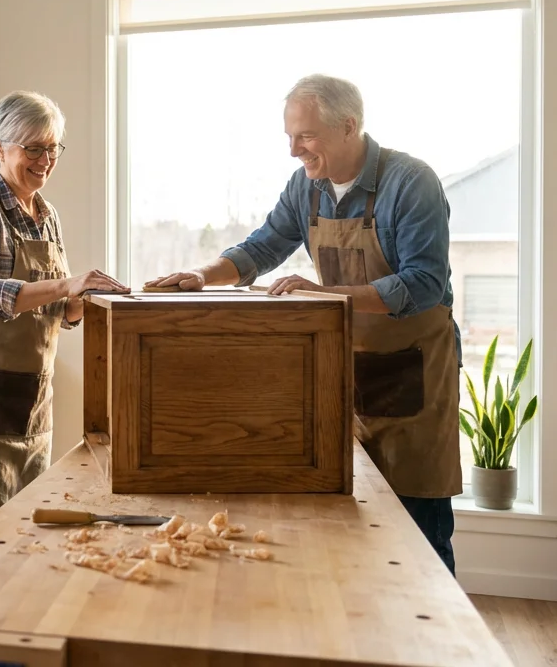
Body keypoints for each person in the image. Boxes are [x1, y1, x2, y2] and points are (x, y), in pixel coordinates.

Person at [148, 74, 462, 574]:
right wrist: (202, 275)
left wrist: (326, 293)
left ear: (349, 126)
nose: (295, 150)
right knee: (348, 525)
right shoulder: (307, 186)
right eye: (290, 137)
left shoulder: (411, 182)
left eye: (306, 136)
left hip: (414, 377)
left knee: (418, 528)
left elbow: (423, 283)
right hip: (344, 371)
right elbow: (264, 245)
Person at [0, 90, 128, 555]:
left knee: (23, 526)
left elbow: (60, 311)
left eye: (53, 147)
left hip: (28, 392)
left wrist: (87, 297)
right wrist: (65, 285)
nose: (45, 160)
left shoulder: (46, 214)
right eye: (32, 148)